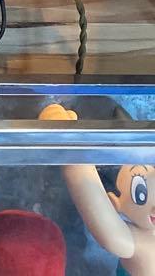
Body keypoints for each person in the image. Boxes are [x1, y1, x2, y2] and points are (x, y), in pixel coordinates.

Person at [40, 103, 155, 275]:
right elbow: (109, 230)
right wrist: (68, 140)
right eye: (140, 193)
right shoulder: (139, 243)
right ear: (113, 202)